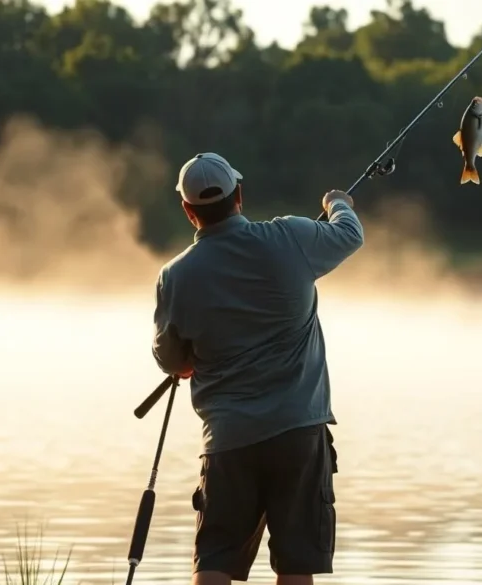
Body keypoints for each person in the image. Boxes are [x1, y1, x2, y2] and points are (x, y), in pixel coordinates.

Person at [151, 152, 365, 585]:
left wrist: (190, 361)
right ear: (239, 196)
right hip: (299, 432)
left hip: (228, 439)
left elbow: (171, 360)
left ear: (188, 210)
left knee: (214, 559)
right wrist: (338, 202)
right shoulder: (291, 237)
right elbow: (349, 234)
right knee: (296, 563)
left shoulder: (176, 276)